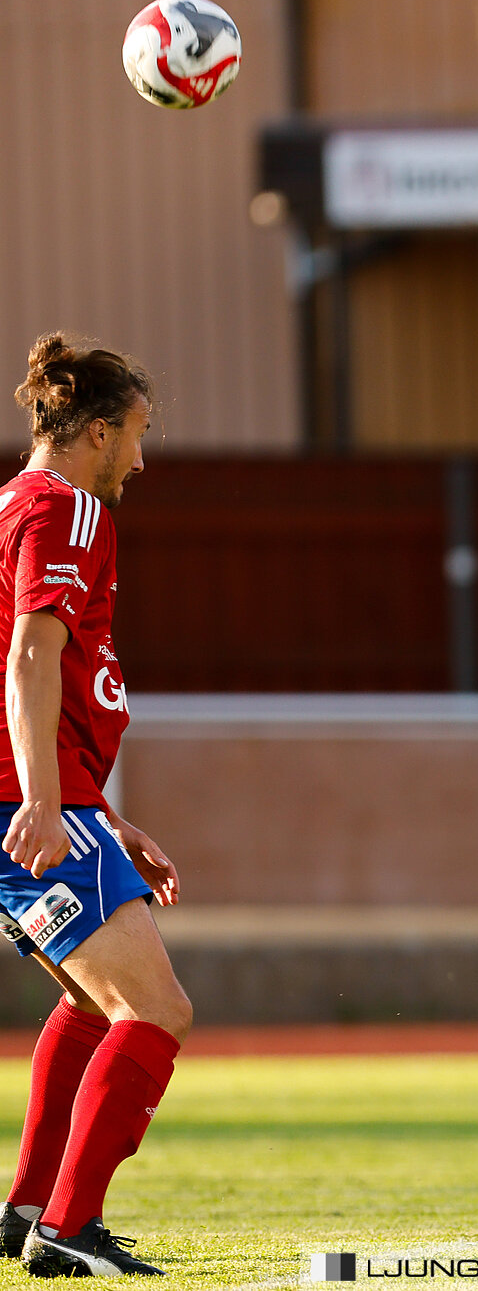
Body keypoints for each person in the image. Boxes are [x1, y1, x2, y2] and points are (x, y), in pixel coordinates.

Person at [0, 334, 188, 1277]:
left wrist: (100, 816)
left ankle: (28, 1205)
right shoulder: (68, 510)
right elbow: (30, 657)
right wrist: (42, 801)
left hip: (45, 799)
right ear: (99, 431)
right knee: (156, 1009)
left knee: (89, 1000)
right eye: (139, 436)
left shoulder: (9, 507)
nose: (143, 461)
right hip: (22, 803)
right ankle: (63, 1229)